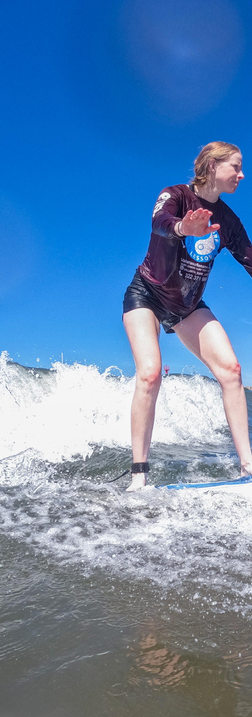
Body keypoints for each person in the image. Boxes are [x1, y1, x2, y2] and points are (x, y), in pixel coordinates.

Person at [123, 141, 252, 491]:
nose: (242, 174)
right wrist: (184, 228)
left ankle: (248, 469)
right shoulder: (176, 195)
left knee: (231, 370)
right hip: (147, 294)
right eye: (235, 167)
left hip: (187, 305)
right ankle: (139, 476)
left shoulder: (228, 220)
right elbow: (160, 222)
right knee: (150, 374)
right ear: (212, 166)